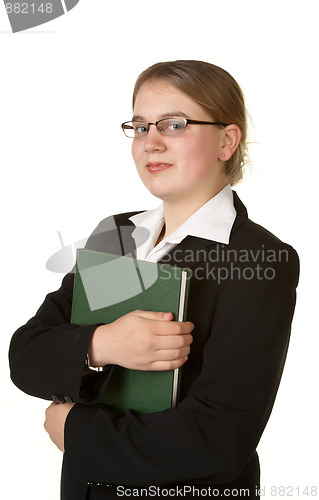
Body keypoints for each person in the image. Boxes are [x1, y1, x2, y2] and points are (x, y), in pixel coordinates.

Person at [9, 60, 299, 500]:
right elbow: (27, 355)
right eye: (140, 127)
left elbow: (218, 440)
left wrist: (78, 431)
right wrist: (102, 344)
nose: (151, 143)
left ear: (226, 141)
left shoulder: (257, 258)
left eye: (174, 124)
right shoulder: (119, 235)